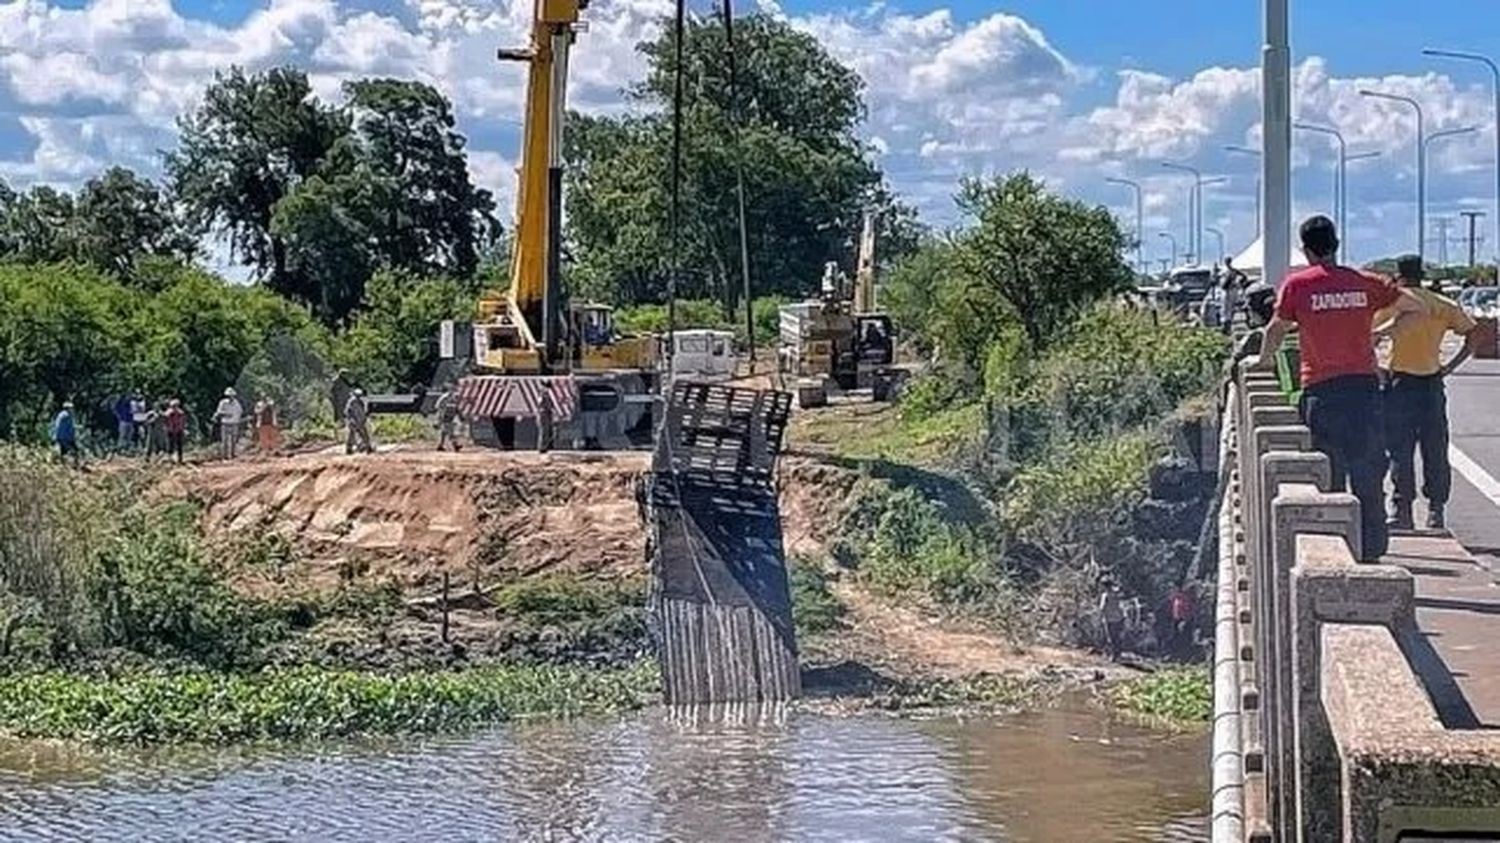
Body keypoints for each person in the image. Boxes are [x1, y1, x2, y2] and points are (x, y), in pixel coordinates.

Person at [1252, 216, 1425, 562]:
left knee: (1329, 471)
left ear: (1306, 250)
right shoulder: (1363, 282)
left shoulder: (1298, 286)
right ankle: (1372, 548)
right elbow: (1415, 308)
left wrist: (1263, 361)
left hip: (1322, 390)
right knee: (1368, 469)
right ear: (1337, 244)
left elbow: (1276, 329)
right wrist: (1382, 333)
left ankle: (1337, 543)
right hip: (1363, 389)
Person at [1379, 255, 1480, 530]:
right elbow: (1473, 335)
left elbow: (1368, 336)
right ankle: (1436, 510)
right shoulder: (1441, 304)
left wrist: (1377, 370)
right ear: (1421, 275)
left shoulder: (1392, 303)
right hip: (1431, 381)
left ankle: (1402, 511)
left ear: (1398, 276)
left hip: (1398, 381)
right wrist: (1450, 366)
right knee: (1435, 449)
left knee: (1399, 450)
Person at [1099, 579, 1126, 661]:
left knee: (1111, 637)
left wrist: (1102, 615)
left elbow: (1102, 607)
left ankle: (1113, 655)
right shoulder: (1117, 594)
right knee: (1117, 636)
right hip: (1119, 617)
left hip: (1109, 619)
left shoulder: (1105, 595)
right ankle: (1118, 653)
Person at [213, 387, 243, 460]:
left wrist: (237, 419)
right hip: (225, 423)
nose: (230, 397)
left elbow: (240, 411)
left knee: (234, 440)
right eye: (228, 395)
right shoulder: (223, 402)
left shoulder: (237, 403)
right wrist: (226, 414)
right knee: (224, 440)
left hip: (234, 423)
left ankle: (232, 454)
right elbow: (219, 412)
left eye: (231, 395)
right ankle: (224, 456)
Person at [51, 401, 80, 467]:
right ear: (67, 408)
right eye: (71, 408)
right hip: (66, 438)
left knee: (63, 452)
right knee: (74, 450)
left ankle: (61, 464)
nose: (72, 409)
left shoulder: (61, 415)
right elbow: (68, 428)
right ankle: (74, 464)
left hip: (60, 437)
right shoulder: (67, 416)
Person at [345, 389, 373, 454]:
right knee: (351, 435)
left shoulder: (362, 402)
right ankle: (349, 449)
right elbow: (347, 412)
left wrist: (365, 419)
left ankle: (368, 447)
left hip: (361, 421)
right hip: (353, 421)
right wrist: (350, 419)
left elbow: (365, 411)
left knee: (364, 435)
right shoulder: (351, 402)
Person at [164, 399, 187, 464]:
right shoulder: (168, 413)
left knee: (179, 445)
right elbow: (166, 422)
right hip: (170, 431)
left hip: (178, 430)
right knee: (170, 444)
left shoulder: (181, 413)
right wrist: (168, 428)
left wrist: (182, 428)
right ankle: (170, 457)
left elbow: (183, 422)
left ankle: (179, 458)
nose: (175, 407)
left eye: (176, 406)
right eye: (173, 406)